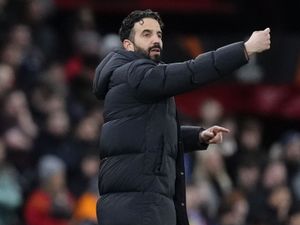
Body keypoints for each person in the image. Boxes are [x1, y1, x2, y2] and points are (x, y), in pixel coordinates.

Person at [92, 9, 270, 225]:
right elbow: (192, 71)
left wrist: (198, 137)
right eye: (146, 34)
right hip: (138, 205)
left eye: (158, 34)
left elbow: (148, 136)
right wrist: (245, 49)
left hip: (139, 202)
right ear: (128, 45)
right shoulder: (134, 73)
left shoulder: (138, 80)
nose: (156, 39)